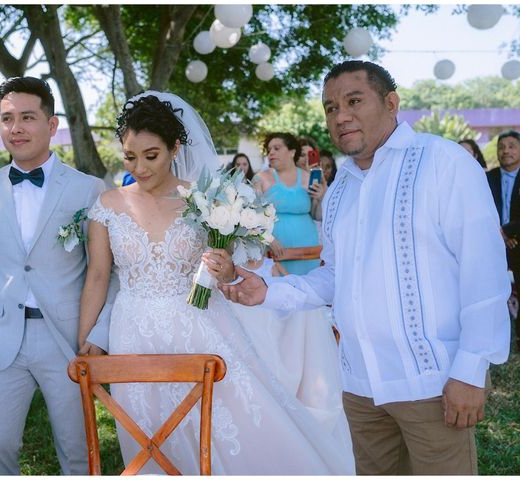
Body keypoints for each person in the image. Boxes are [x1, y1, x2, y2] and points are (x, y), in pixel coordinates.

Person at [219, 60, 511, 475]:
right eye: (330, 108)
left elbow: (484, 273)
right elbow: (335, 277)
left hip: (431, 382)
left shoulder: (443, 162)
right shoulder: (339, 192)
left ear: (391, 103)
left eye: (354, 101)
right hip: (359, 386)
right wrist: (269, 292)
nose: (340, 116)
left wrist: (471, 369)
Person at [79, 92, 354, 475]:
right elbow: (97, 276)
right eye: (130, 156)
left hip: (198, 321)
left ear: (175, 148)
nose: (139, 167)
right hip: (134, 331)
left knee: (227, 425)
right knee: (147, 433)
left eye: (151, 155)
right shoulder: (108, 205)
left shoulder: (205, 200)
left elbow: (236, 267)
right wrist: (85, 338)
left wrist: (224, 267)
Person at [0, 77, 105, 475]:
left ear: (52, 125)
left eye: (27, 117)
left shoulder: (88, 189)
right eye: (7, 118)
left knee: (78, 450)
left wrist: (98, 335)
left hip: (67, 338)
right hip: (1, 336)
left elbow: (108, 271)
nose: (16, 128)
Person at [254, 132, 321, 274]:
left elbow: (317, 215)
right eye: (269, 150)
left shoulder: (308, 177)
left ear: (292, 152)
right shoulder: (261, 178)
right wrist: (269, 239)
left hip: (309, 252)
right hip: (274, 254)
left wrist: (320, 197)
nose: (271, 152)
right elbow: (251, 217)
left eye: (277, 148)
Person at [486, 130, 520, 350]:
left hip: (516, 242)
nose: (505, 150)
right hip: (492, 245)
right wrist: (498, 233)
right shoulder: (488, 178)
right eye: (501, 146)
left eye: (511, 146)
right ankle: (496, 344)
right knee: (492, 295)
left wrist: (507, 231)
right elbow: (479, 209)